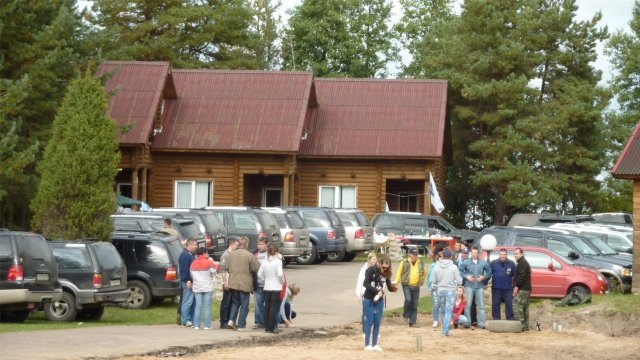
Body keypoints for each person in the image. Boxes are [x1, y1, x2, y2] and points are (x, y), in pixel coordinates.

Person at [226, 237, 261, 331]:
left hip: (233, 281)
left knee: (235, 303)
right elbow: (257, 268)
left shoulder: (231, 254)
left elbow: (227, 268)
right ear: (247, 244)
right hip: (245, 283)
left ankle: (231, 321)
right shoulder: (249, 255)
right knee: (244, 305)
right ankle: (241, 325)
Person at [363, 255, 393, 351]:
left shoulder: (387, 274)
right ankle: (367, 344)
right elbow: (365, 283)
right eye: (383, 267)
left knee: (377, 322)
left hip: (380, 300)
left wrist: (393, 288)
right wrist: (376, 291)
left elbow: (389, 286)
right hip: (369, 299)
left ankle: (374, 344)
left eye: (387, 267)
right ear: (380, 264)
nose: (385, 269)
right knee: (370, 321)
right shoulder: (372, 270)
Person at [458, 246, 492, 329]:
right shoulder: (466, 262)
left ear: (478, 254)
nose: (474, 254)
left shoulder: (483, 262)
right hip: (469, 286)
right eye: (472, 253)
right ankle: (467, 323)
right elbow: (459, 271)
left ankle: (482, 324)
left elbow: (489, 271)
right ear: (471, 253)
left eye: (475, 253)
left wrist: (483, 277)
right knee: (467, 305)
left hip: (480, 286)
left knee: (481, 306)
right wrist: (466, 276)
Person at [432, 249, 462, 336]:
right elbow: (459, 280)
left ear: (443, 256)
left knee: (443, 311)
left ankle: (445, 329)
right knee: (448, 311)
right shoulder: (454, 267)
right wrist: (459, 282)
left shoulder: (436, 267)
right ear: (450, 257)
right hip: (450, 290)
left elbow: (434, 280)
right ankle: (445, 330)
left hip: (440, 290)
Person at [394, 248, 427, 327]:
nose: (415, 256)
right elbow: (399, 272)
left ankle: (412, 322)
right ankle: (406, 315)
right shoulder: (404, 262)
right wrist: (396, 282)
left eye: (416, 254)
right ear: (410, 254)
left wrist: (422, 280)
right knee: (408, 300)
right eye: (413, 254)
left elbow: (425, 273)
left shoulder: (421, 263)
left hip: (416, 286)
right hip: (406, 285)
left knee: (415, 304)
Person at [190, 247, 219, 330]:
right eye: (207, 253)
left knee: (198, 306)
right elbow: (216, 270)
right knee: (207, 306)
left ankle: (196, 325)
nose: (208, 254)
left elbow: (191, 275)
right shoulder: (209, 262)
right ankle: (207, 325)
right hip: (207, 287)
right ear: (203, 253)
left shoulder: (193, 263)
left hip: (197, 287)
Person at [257, 245, 284, 333]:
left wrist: (266, 280)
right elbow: (280, 274)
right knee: (273, 308)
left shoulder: (264, 262)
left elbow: (259, 274)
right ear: (276, 252)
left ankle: (267, 327)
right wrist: (282, 281)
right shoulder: (278, 262)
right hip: (276, 286)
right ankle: (272, 327)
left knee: (267, 307)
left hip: (267, 286)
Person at [490, 248, 517, 320]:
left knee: (509, 304)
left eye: (504, 254)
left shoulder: (511, 263)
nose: (502, 256)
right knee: (495, 304)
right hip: (496, 288)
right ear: (499, 254)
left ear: (506, 255)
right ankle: (496, 319)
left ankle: (510, 319)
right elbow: (489, 274)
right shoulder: (493, 263)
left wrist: (515, 287)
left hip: (508, 288)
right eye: (501, 254)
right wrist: (485, 282)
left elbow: (516, 277)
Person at [219, 238, 239, 329]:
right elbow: (222, 269)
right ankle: (223, 321)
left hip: (233, 281)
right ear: (231, 245)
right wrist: (225, 282)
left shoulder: (233, 254)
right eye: (236, 245)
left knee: (232, 302)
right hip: (228, 281)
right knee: (226, 302)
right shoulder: (225, 255)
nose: (237, 247)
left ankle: (230, 321)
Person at [356, 252, 378, 336]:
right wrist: (358, 294)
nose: (374, 261)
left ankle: (372, 330)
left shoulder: (377, 268)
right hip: (365, 293)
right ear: (369, 259)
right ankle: (365, 331)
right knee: (366, 311)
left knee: (374, 311)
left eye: (375, 259)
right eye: (373, 259)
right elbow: (360, 282)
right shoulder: (364, 269)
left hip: (374, 292)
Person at [179, 239, 198, 327]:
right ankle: (185, 320)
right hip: (187, 281)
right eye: (195, 245)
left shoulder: (190, 254)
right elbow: (184, 270)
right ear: (189, 245)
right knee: (187, 301)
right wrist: (188, 280)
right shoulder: (185, 255)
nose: (196, 246)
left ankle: (191, 318)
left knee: (192, 301)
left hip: (191, 281)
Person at [513, 248, 532, 331]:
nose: (515, 255)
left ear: (522, 254)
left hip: (523, 288)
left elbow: (521, 276)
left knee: (516, 305)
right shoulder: (522, 262)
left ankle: (521, 325)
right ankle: (526, 326)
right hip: (526, 288)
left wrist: (516, 287)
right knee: (524, 307)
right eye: (514, 254)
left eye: (517, 253)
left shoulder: (522, 263)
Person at [253, 238, 269, 329]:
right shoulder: (254, 254)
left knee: (268, 304)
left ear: (266, 244)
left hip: (268, 284)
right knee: (258, 304)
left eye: (262, 244)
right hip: (258, 283)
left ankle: (268, 321)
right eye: (258, 244)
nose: (260, 246)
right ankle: (259, 322)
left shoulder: (270, 253)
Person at [427, 248, 444, 328]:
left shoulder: (446, 266)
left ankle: (443, 320)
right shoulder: (433, 266)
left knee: (443, 305)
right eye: (440, 256)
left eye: (443, 257)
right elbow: (429, 277)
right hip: (435, 288)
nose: (441, 258)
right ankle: (435, 321)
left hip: (444, 288)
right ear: (438, 257)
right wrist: (430, 287)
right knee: (436, 305)